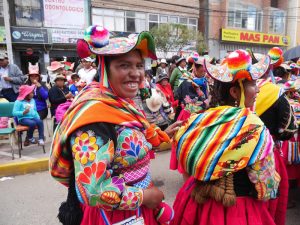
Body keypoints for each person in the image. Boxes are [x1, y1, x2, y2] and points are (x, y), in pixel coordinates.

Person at [50, 25, 182, 225]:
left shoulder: (119, 103)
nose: (136, 73)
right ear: (104, 68)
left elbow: (128, 146)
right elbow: (92, 190)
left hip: (136, 210)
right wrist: (145, 197)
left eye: (138, 65)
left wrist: (163, 134)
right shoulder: (94, 118)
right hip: (114, 216)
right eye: (124, 65)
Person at [171, 50, 282, 225]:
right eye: (252, 84)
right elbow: (265, 186)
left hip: (196, 203)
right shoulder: (253, 127)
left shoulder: (200, 120)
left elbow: (186, 162)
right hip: (237, 210)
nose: (258, 88)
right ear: (235, 92)